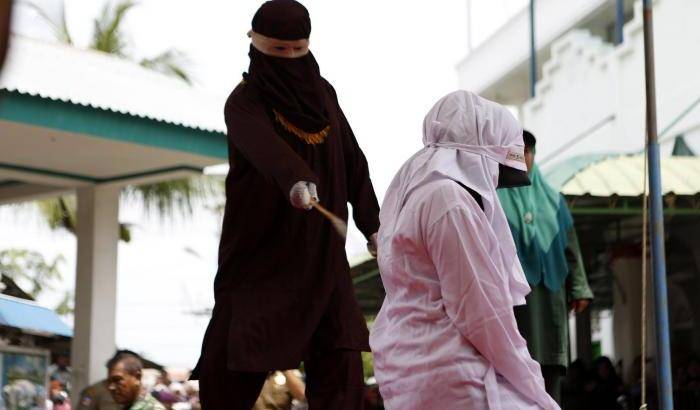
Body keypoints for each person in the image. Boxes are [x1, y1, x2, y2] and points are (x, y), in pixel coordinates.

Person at [191, 1, 380, 409]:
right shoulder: (243, 101)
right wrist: (295, 177)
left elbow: (352, 160)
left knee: (341, 360)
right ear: (256, 45)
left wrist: (374, 224)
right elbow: (264, 147)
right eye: (279, 51)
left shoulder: (325, 95)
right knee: (234, 363)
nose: (290, 60)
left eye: (298, 50)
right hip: (263, 257)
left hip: (322, 257)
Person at [370, 90, 559, 409]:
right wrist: (532, 383)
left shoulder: (418, 195)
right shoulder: (450, 201)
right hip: (457, 375)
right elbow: (480, 311)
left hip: (412, 371)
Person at [497, 130, 593, 402]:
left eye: (527, 152)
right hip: (515, 300)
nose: (522, 157)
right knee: (516, 366)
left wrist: (579, 287)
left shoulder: (554, 200)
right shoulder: (494, 199)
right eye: (516, 152)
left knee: (550, 368)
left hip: (550, 297)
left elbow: (570, 247)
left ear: (534, 155)